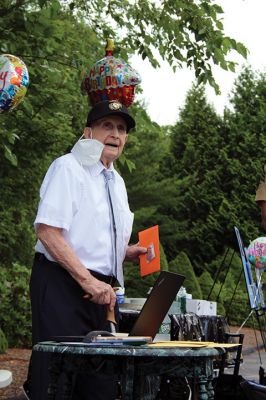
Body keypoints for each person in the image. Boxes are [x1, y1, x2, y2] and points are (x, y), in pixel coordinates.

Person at [28, 99, 147, 400]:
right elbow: (48, 231)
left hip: (100, 294)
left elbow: (90, 237)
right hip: (61, 285)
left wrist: (125, 253)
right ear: (88, 132)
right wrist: (87, 280)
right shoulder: (69, 167)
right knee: (58, 382)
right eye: (107, 125)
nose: (115, 134)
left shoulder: (117, 182)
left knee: (100, 385)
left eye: (121, 129)